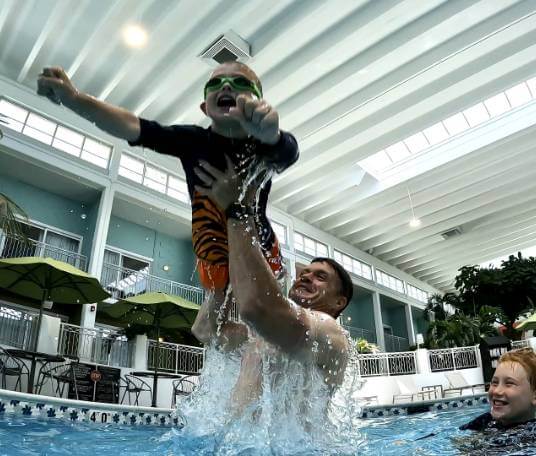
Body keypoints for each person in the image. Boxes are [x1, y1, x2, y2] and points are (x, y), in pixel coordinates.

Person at [36, 62, 298, 304]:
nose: (227, 86)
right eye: (215, 84)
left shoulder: (265, 145)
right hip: (212, 251)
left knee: (269, 312)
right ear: (205, 108)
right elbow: (132, 126)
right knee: (217, 327)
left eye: (240, 83)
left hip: (259, 243)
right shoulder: (192, 141)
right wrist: (74, 99)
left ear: (259, 102)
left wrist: (272, 135)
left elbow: (287, 153)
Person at [191, 155, 352, 420]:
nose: (306, 277)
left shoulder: (330, 333)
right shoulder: (264, 337)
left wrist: (238, 210)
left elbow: (258, 308)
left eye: (321, 277)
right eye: (305, 273)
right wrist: (222, 281)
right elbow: (206, 330)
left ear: (339, 302)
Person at [456, 348, 536, 454]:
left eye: (509, 383)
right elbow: (458, 439)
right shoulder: (486, 420)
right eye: (494, 382)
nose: (497, 391)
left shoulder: (532, 433)